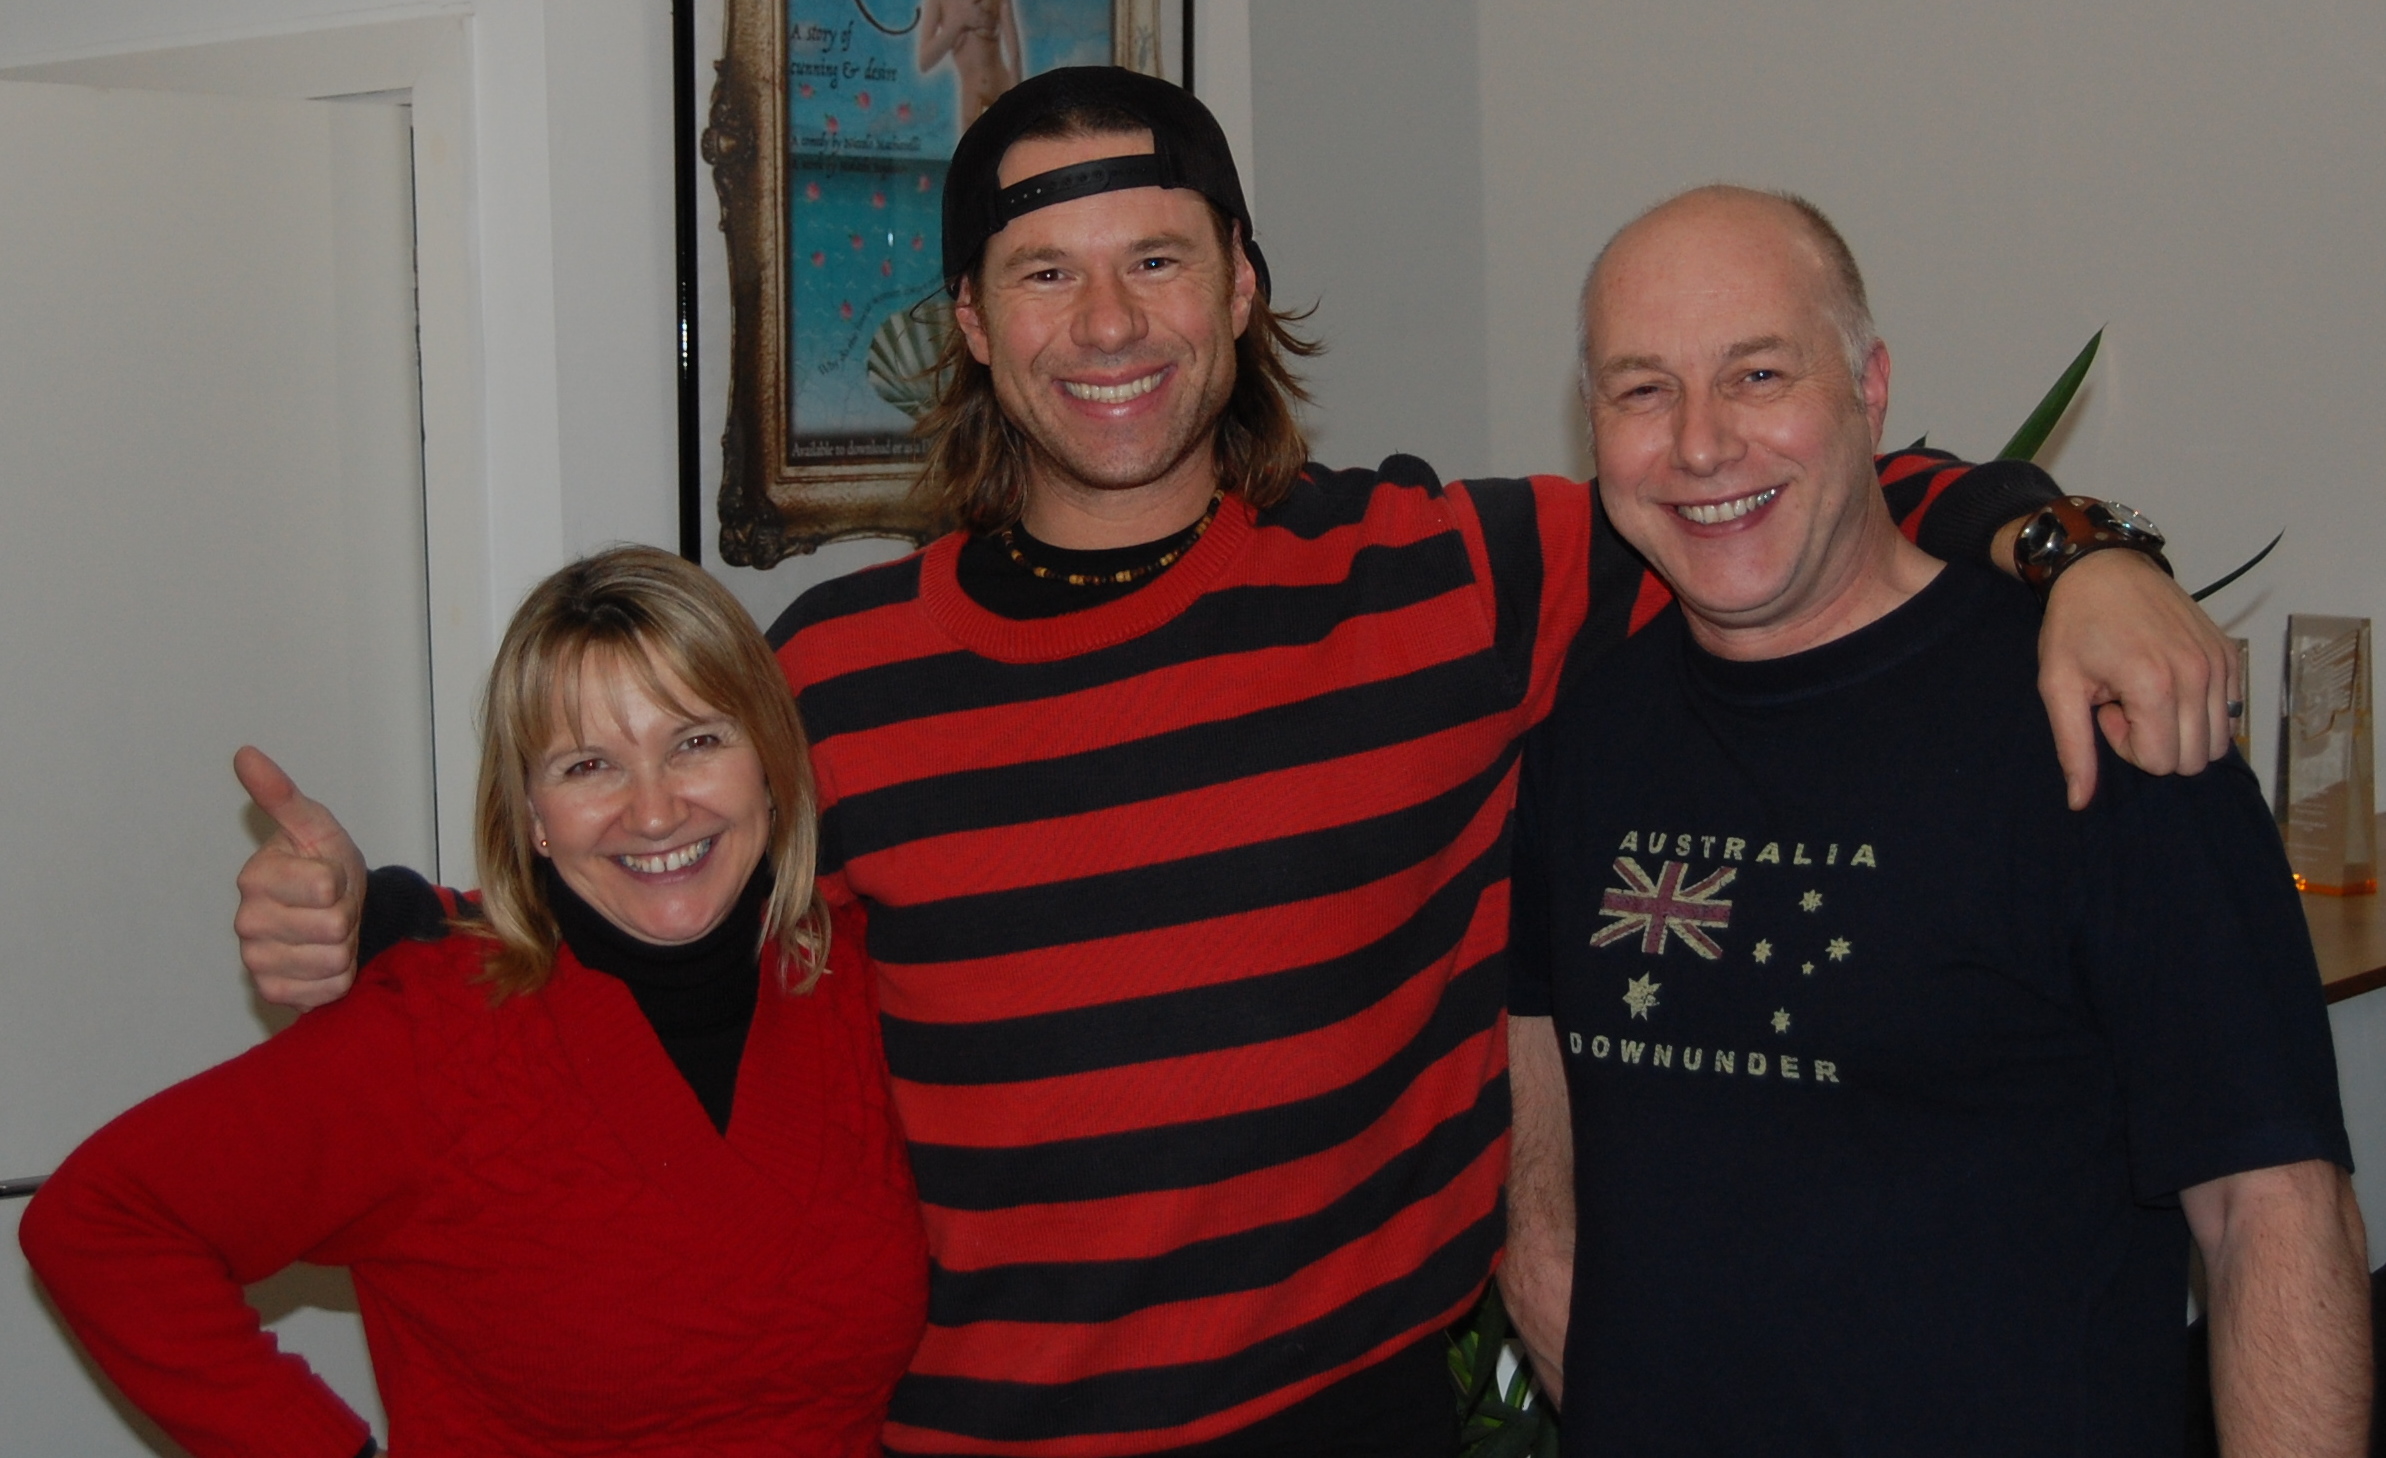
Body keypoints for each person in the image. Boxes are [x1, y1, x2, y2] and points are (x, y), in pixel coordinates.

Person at [231, 70, 2239, 1457]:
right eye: (1044, 271)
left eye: (1157, 259)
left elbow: (1778, 484)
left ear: (1239, 289)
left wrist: (2075, 558)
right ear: (973, 324)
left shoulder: (1450, 579)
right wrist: (383, 919)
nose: (1105, 321)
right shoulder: (827, 669)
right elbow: (635, 892)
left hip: (1353, 1416)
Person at [1503, 186, 2371, 1455]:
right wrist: (1557, 1272)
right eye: (1642, 391)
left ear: (1869, 391)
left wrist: (2091, 552)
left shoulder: (2099, 722)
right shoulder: (1590, 726)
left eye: (1756, 373)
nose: (1698, 445)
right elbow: (1544, 1079)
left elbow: (2274, 1214)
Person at [22, 547, 929, 1457]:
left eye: (696, 742)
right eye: (588, 767)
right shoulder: (430, 1039)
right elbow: (99, 1226)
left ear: (771, 762)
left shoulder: (866, 979)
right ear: (532, 813)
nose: (654, 812)